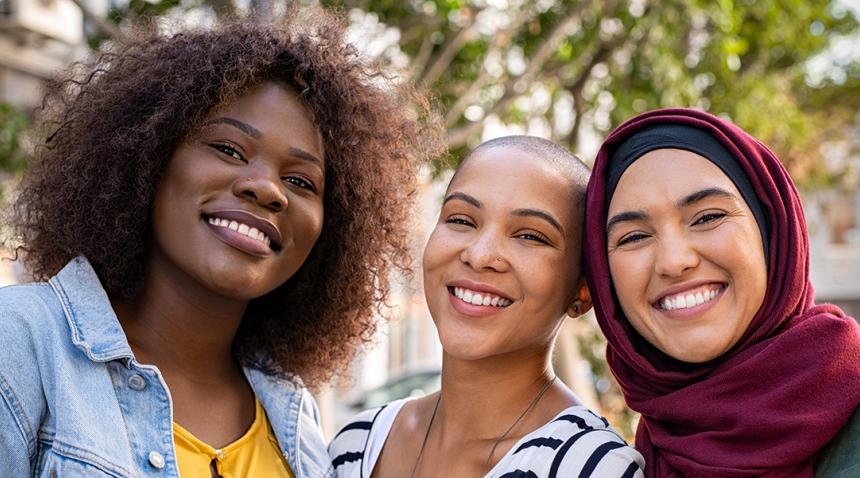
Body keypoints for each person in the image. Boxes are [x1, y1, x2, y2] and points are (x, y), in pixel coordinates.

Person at [0, 11, 441, 478]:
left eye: (299, 180)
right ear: (148, 158)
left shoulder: (292, 414)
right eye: (229, 150)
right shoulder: (23, 342)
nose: (267, 189)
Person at [328, 136, 645, 478]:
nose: (479, 256)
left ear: (583, 291)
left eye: (529, 236)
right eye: (461, 220)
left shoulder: (592, 467)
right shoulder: (356, 444)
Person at [582, 107, 860, 477]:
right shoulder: (621, 463)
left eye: (708, 217)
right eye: (634, 237)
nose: (674, 261)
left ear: (772, 231)